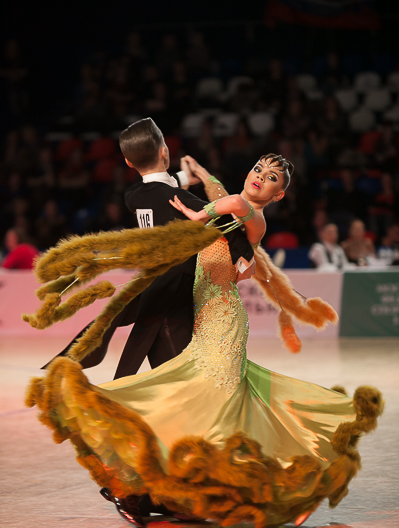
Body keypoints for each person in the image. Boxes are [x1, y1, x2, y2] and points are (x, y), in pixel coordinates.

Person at [27, 154, 383, 528]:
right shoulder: (238, 214)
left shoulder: (247, 213)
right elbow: (225, 200)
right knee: (226, 404)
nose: (260, 177)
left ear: (279, 195)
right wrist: (203, 175)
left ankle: (194, 488)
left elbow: (228, 204)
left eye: (272, 178)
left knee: (209, 406)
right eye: (258, 169)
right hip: (204, 317)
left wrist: (196, 210)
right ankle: (255, 486)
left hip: (222, 320)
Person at [44, 118, 254, 377]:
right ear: (164, 152)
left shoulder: (133, 197)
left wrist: (182, 178)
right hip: (173, 292)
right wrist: (245, 256)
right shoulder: (179, 199)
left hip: (153, 284)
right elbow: (221, 218)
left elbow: (156, 191)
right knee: (183, 371)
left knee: (166, 364)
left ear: (129, 163)